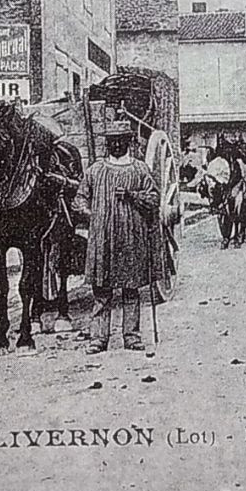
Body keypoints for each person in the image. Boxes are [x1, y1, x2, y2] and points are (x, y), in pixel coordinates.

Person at [79, 121, 161, 353]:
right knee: (101, 292)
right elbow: (80, 199)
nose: (116, 145)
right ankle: (98, 339)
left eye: (121, 141)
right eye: (112, 142)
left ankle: (132, 336)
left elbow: (153, 198)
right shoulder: (95, 170)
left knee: (130, 289)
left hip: (130, 238)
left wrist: (133, 196)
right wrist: (91, 213)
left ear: (128, 143)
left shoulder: (139, 169)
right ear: (107, 144)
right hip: (102, 238)